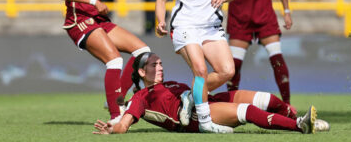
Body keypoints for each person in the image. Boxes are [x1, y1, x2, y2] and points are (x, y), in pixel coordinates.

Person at [93, 52, 326, 135]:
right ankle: (299, 126)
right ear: (143, 72)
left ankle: (296, 117)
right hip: (196, 118)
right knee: (248, 111)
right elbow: (125, 123)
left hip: (205, 101)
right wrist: (114, 128)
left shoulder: (170, 83)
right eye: (155, 65)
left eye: (162, 63)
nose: (161, 67)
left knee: (267, 99)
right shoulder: (140, 98)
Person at [59, 0, 151, 124]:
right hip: (79, 21)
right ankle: (115, 115)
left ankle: (118, 96)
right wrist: (93, 1)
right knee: (115, 60)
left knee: (143, 52)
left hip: (98, 19)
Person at [155, 0, 242, 133]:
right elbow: (161, 0)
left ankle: (189, 96)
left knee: (227, 71)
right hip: (185, 26)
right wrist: (159, 21)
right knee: (201, 70)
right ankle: (205, 122)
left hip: (211, 26)